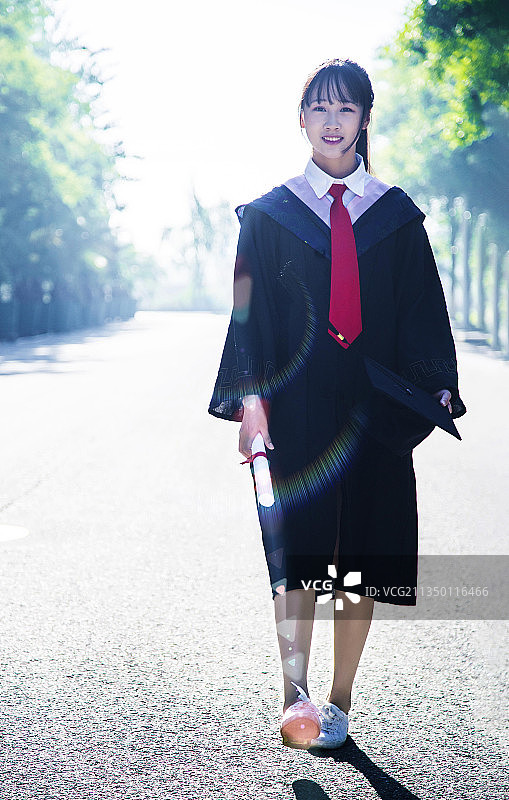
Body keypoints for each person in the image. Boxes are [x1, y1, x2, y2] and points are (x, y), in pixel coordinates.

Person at [208, 58, 466, 750]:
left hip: (372, 410)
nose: (331, 121)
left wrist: (434, 379)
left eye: (345, 109)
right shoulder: (269, 216)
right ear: (300, 120)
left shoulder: (393, 215)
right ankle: (291, 693)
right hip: (296, 407)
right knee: (297, 556)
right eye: (318, 108)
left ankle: (338, 700)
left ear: (362, 120)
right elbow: (247, 317)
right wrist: (248, 404)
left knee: (359, 561)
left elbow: (420, 310)